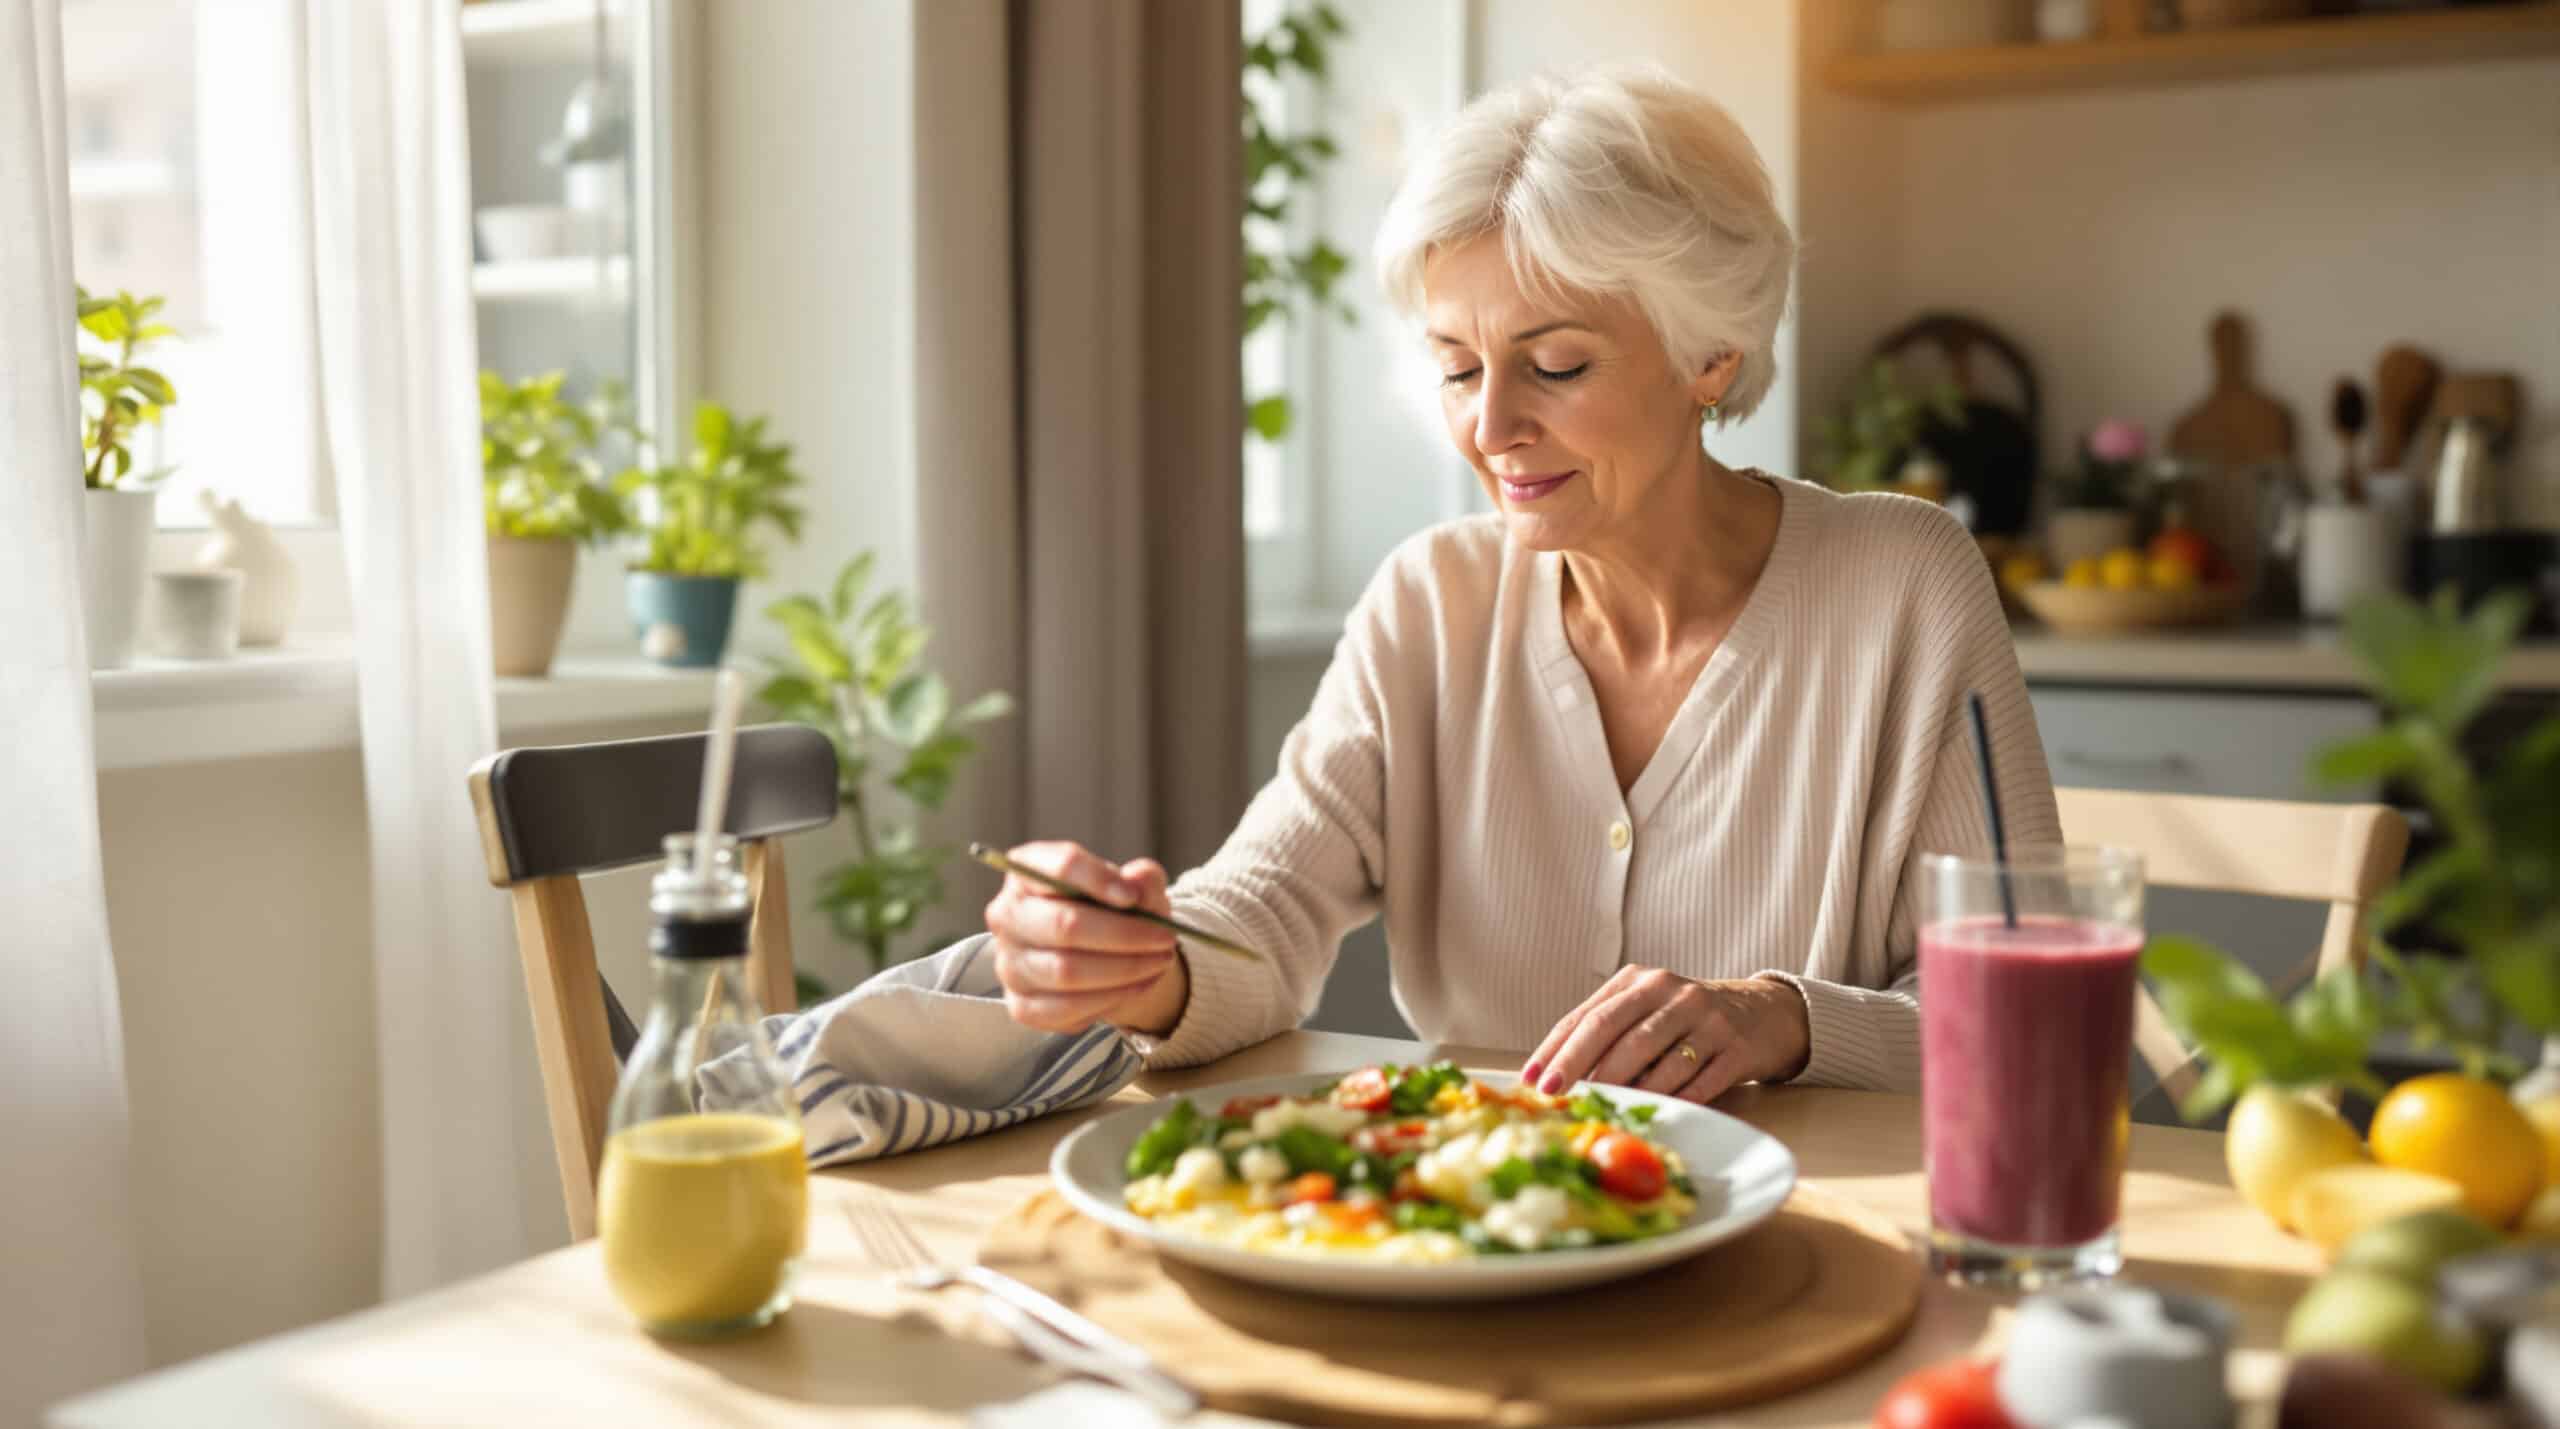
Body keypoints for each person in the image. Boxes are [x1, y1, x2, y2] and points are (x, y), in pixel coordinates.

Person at [983, 67, 2058, 1101]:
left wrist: (1778, 1019)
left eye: (1556, 366)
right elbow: (1262, 905)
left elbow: (2026, 1011)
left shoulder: (1903, 585)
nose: (1489, 426)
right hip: (1474, 1209)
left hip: (1815, 1216)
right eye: (1457, 367)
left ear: (1711, 354)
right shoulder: (1428, 603)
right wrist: (1140, 962)